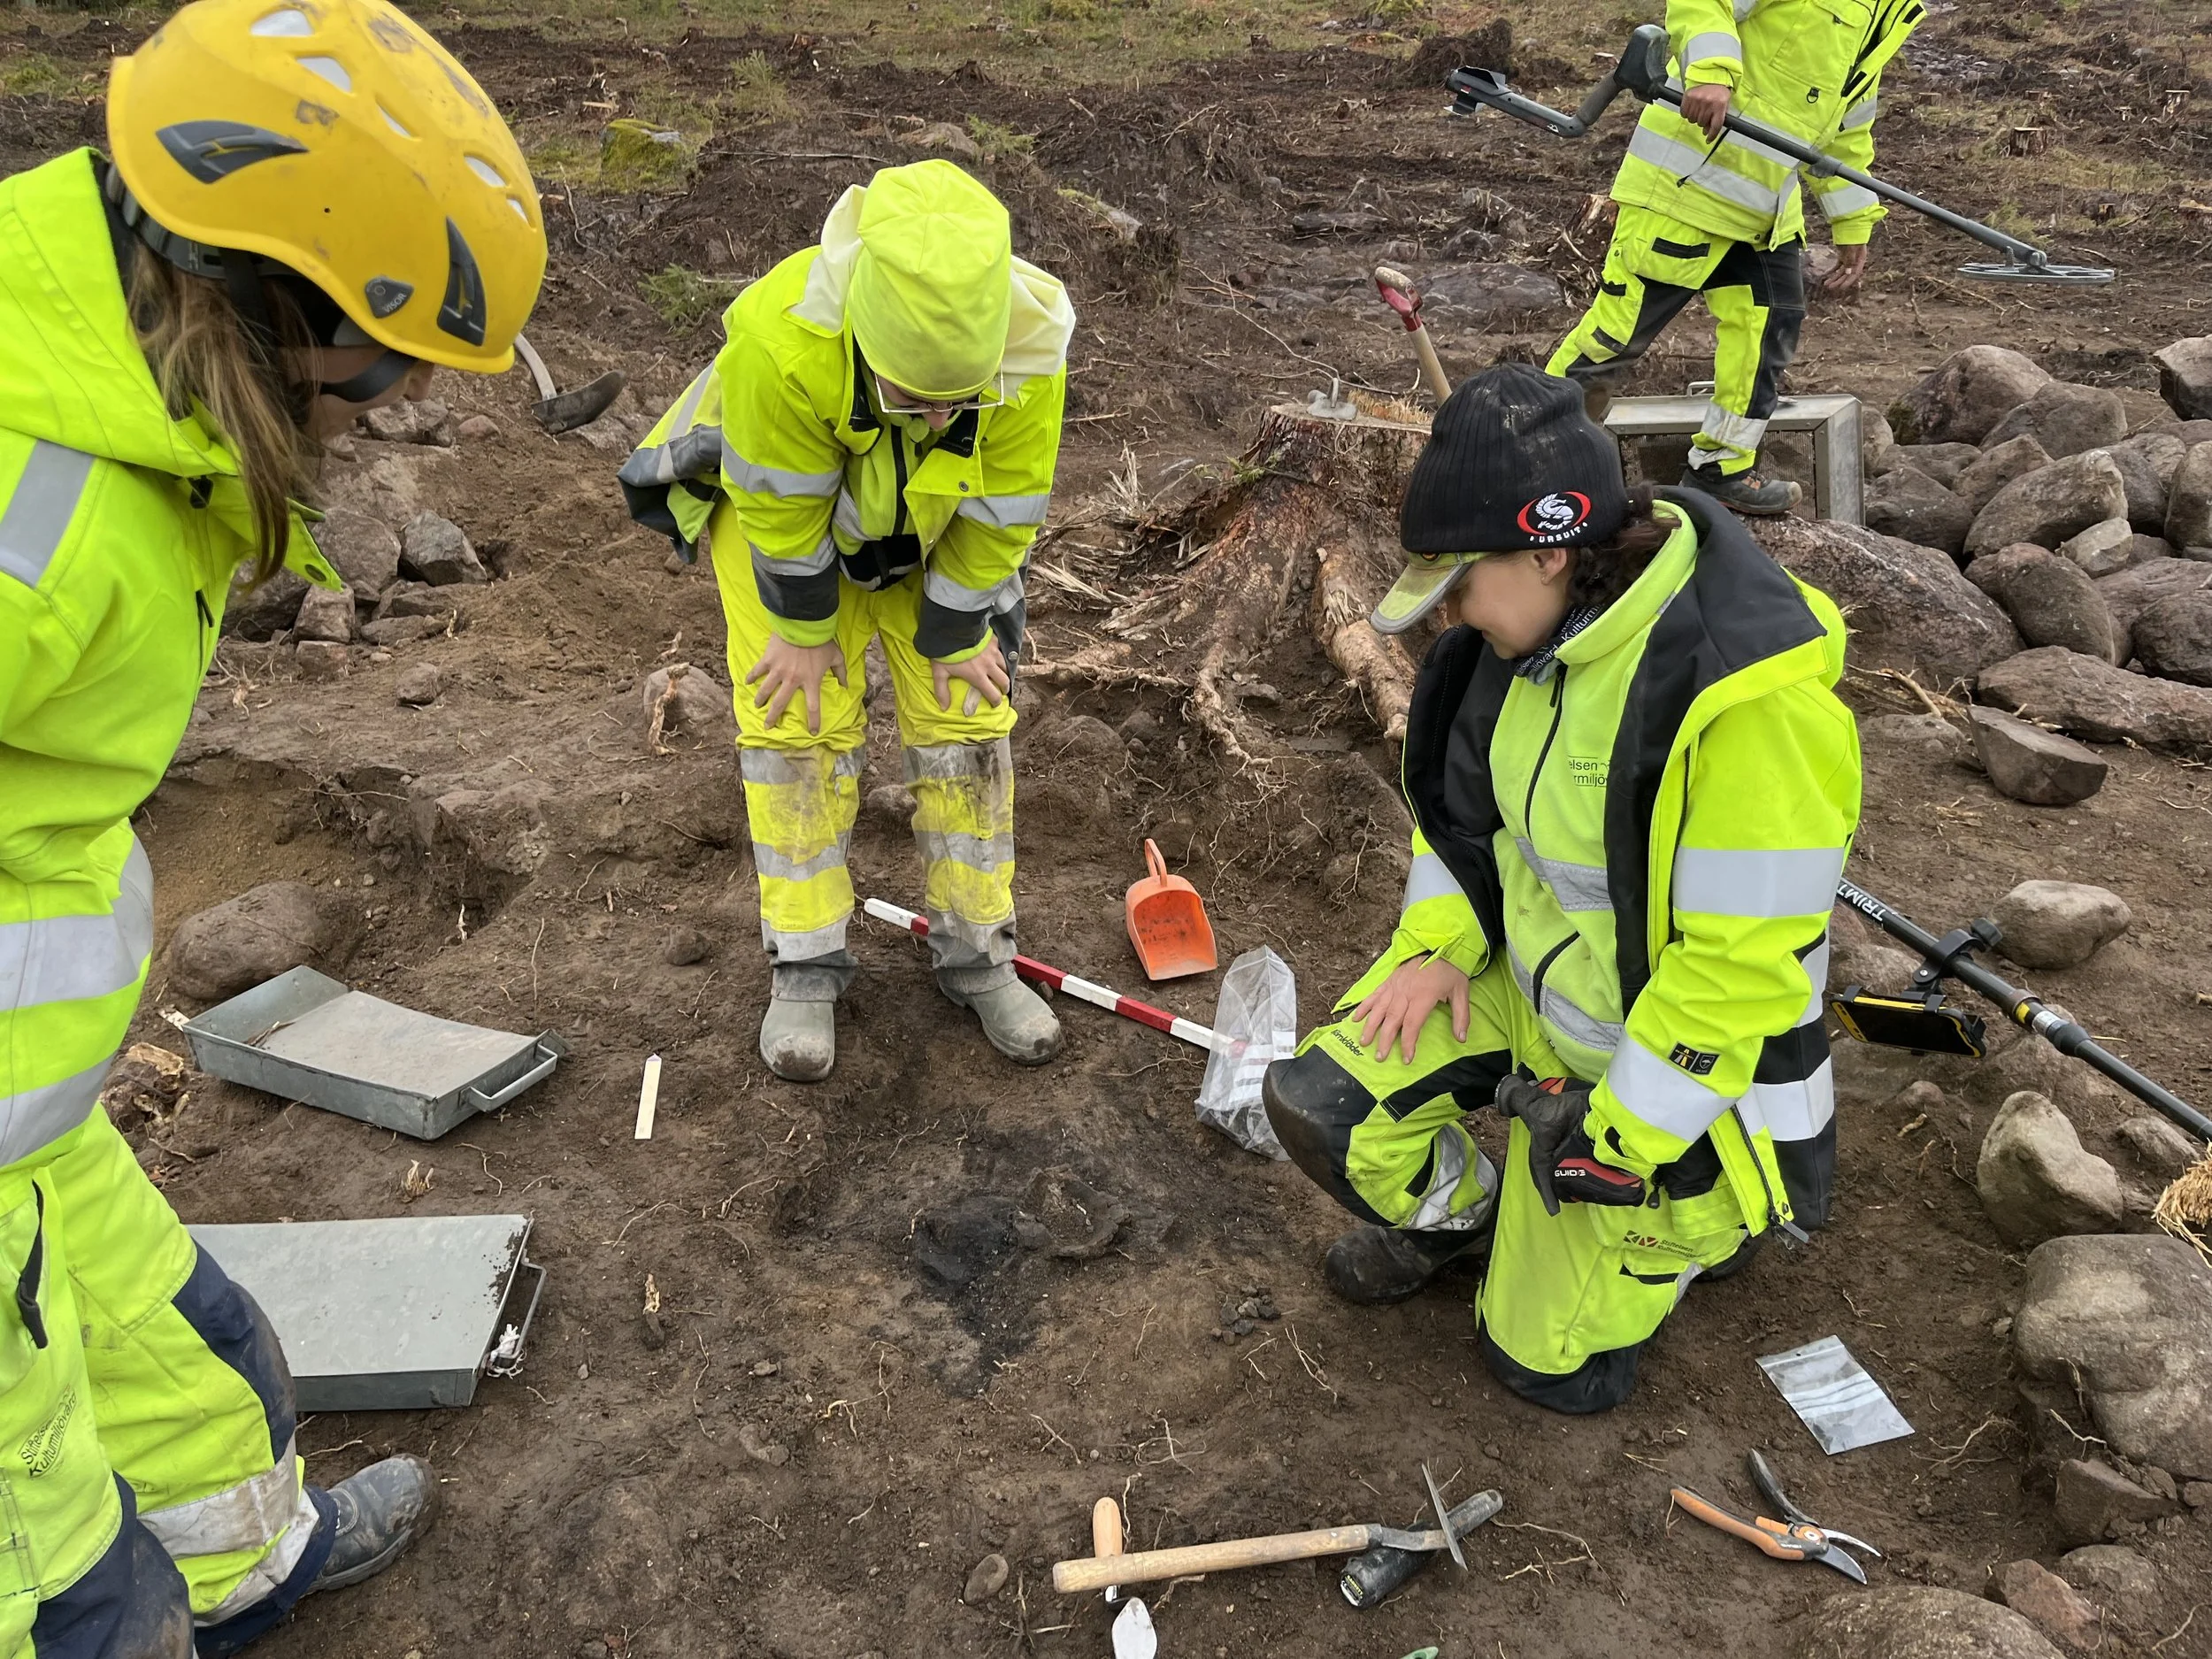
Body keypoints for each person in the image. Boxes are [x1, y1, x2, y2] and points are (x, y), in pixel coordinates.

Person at [0, 0, 545, 1647]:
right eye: (381, 367)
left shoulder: (105, 343)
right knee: (65, 1588)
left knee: (200, 1355)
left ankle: (256, 1568)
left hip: (39, 1080)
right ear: (257, 294)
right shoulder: (36, 523)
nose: (382, 411)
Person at [1262, 365, 1860, 1413]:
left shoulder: (1744, 705)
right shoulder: (1527, 638)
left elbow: (1735, 975)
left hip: (1670, 1096)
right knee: (1325, 1106)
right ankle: (1465, 1224)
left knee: (1543, 1369)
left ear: (1546, 548)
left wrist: (1613, 1139)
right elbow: (1458, 827)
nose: (1448, 612)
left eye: (1458, 581)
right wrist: (1437, 947)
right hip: (1528, 993)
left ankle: (1694, 1234)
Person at [621, 160, 1073, 1083]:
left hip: (933, 523)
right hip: (782, 532)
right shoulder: (780, 341)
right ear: (869, 342)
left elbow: (1004, 511)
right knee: (797, 724)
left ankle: (976, 954)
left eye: (961, 397)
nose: (943, 412)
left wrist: (955, 629)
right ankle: (806, 963)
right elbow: (783, 508)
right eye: (918, 396)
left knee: (968, 722)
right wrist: (802, 626)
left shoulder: (1029, 354)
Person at [1545, 0, 1924, 514]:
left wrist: (1851, 220)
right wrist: (1710, 74)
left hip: (1766, 211)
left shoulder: (1888, 13)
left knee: (1766, 333)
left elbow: (1846, 127)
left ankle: (1721, 469)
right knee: (1614, 339)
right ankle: (1535, 463)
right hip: (1686, 189)